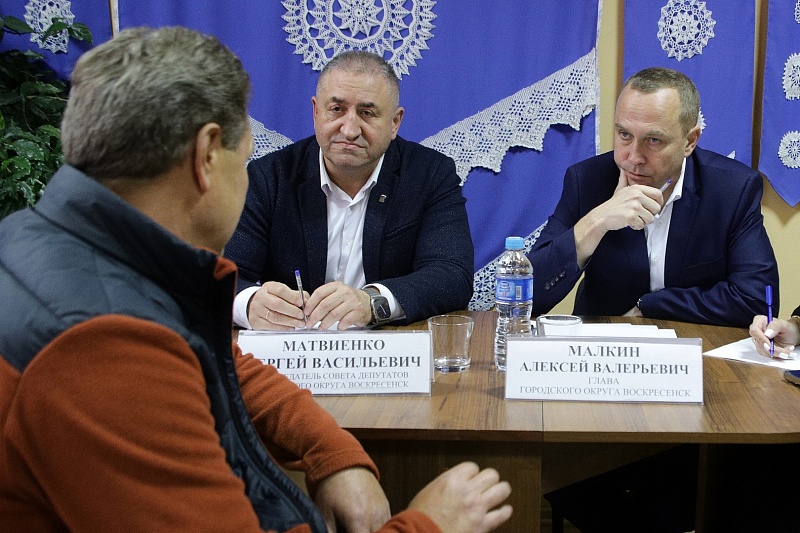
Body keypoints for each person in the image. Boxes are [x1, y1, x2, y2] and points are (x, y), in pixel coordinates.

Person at [0, 27, 512, 533]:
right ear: (207, 156)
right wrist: (430, 525)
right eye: (242, 160)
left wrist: (328, 449)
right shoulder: (107, 346)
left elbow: (219, 358)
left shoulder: (38, 241)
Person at [224, 50, 474, 332]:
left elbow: (452, 275)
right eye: (336, 109)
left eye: (367, 113)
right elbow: (221, 273)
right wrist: (249, 303)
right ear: (316, 112)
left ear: (395, 122)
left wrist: (372, 302)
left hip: (390, 347)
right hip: (293, 349)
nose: (350, 129)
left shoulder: (430, 175)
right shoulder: (271, 177)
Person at [530, 67, 779, 328]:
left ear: (690, 141)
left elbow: (757, 300)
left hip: (696, 346)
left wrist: (650, 306)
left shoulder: (732, 190)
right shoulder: (587, 181)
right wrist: (597, 221)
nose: (633, 157)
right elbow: (527, 296)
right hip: (605, 345)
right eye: (625, 135)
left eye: (653, 140)